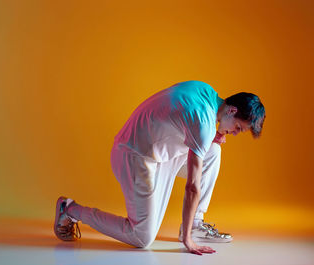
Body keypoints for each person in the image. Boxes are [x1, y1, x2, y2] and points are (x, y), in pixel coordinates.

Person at [54, 80, 266, 255]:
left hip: (158, 154)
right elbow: (192, 187)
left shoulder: (206, 92)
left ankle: (194, 222)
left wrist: (212, 135)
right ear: (232, 110)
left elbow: (180, 116)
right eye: (238, 128)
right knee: (142, 237)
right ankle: (71, 209)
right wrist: (187, 241)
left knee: (213, 151)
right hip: (133, 157)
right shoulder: (203, 122)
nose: (236, 133)